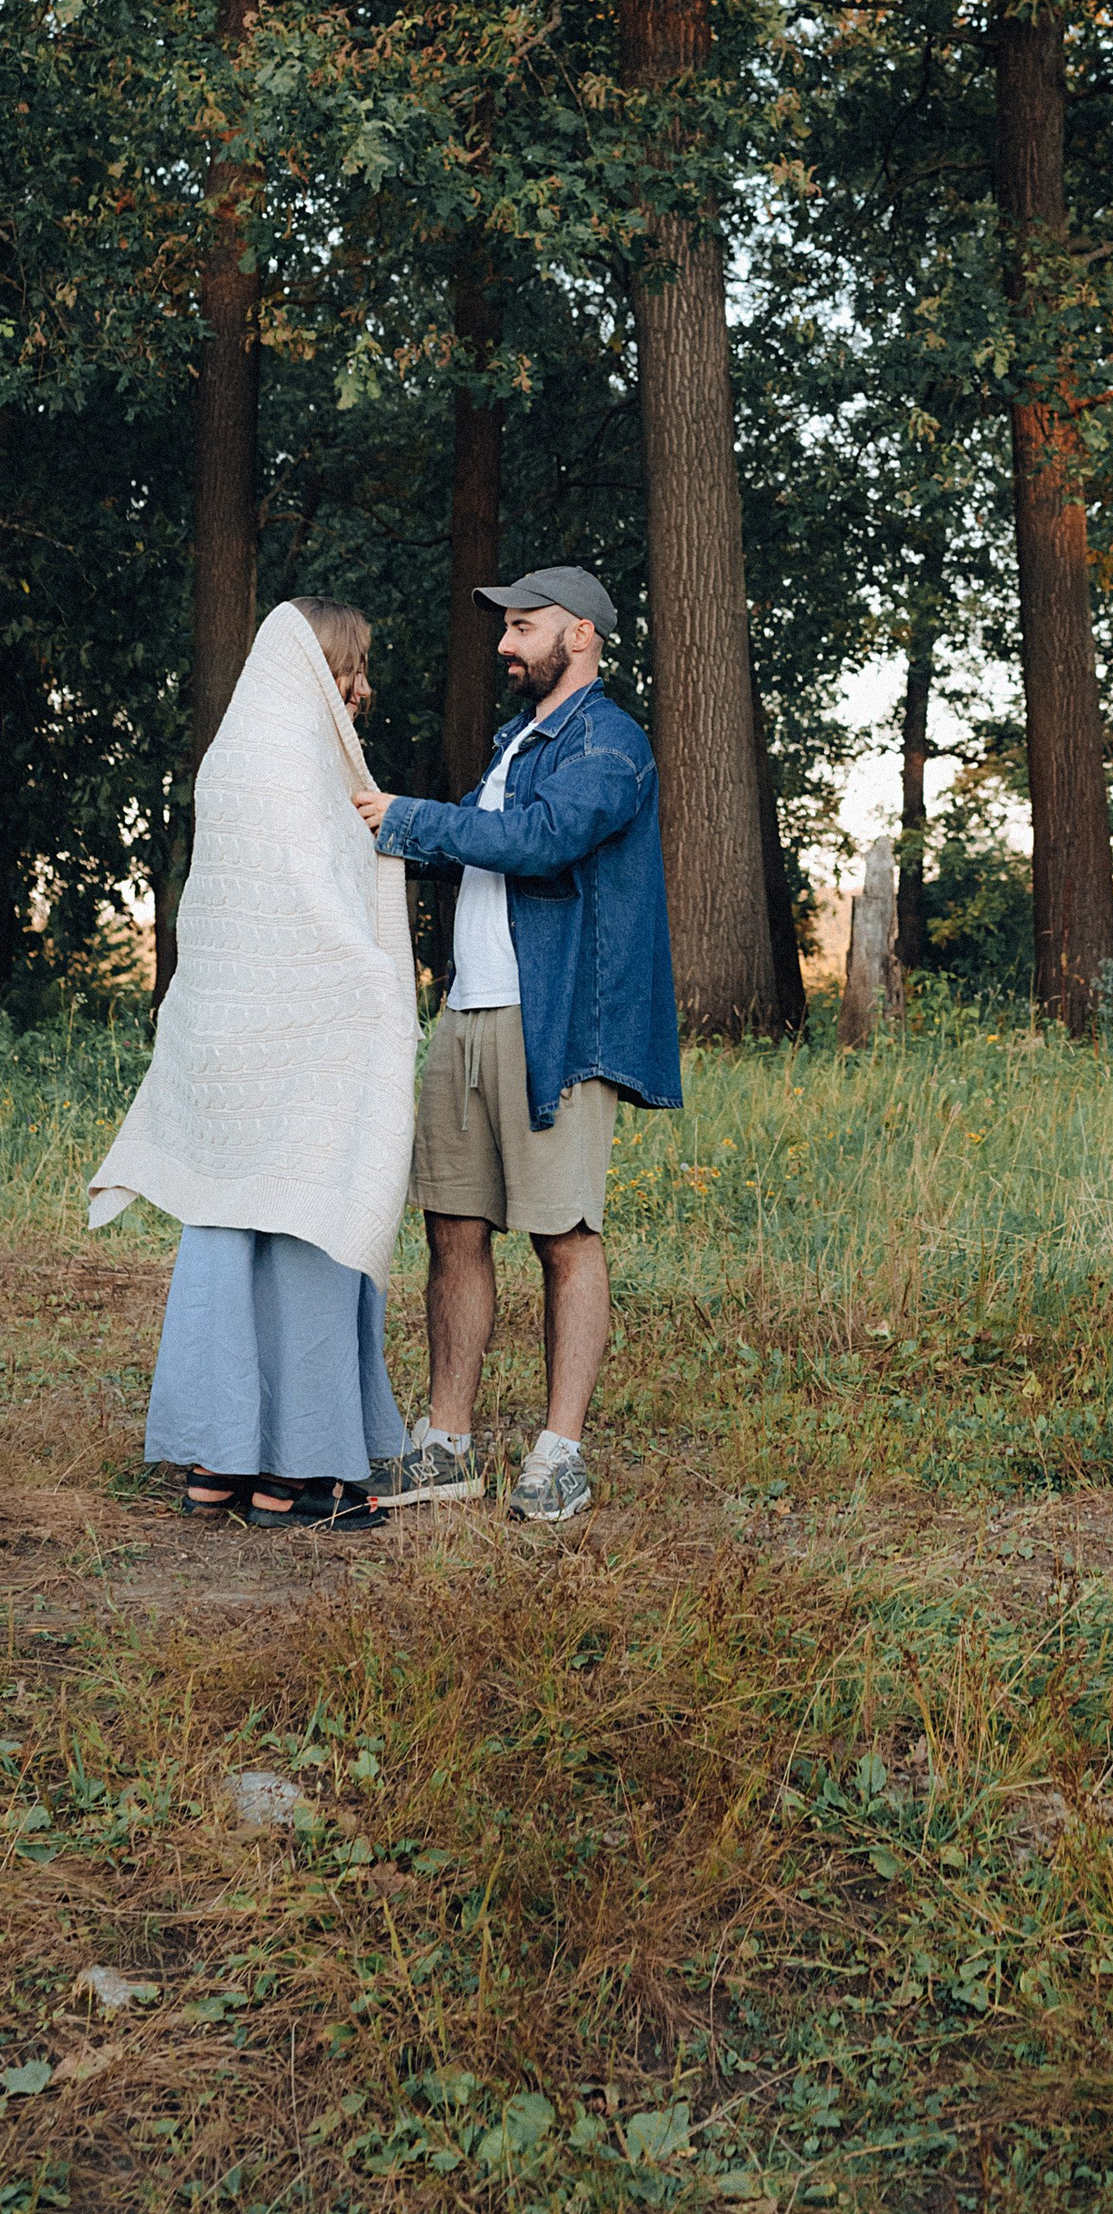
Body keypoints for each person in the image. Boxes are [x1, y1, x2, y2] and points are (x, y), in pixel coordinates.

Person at [350, 565, 680, 1527]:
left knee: (563, 1235)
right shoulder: (513, 743)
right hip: (467, 1017)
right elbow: (473, 841)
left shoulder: (609, 746)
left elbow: (540, 842)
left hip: (556, 1023)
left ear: (578, 634)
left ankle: (559, 1455)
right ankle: (443, 1446)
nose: (505, 645)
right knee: (452, 1228)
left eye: (523, 628)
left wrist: (406, 818)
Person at [89, 597, 418, 1534]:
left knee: (227, 1235)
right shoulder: (295, 763)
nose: (361, 688)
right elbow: (311, 904)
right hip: (301, 1037)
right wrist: (371, 989)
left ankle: (216, 1464)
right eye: (349, 669)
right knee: (312, 1229)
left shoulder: (232, 756)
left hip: (227, 1043)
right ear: (314, 669)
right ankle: (298, 1475)